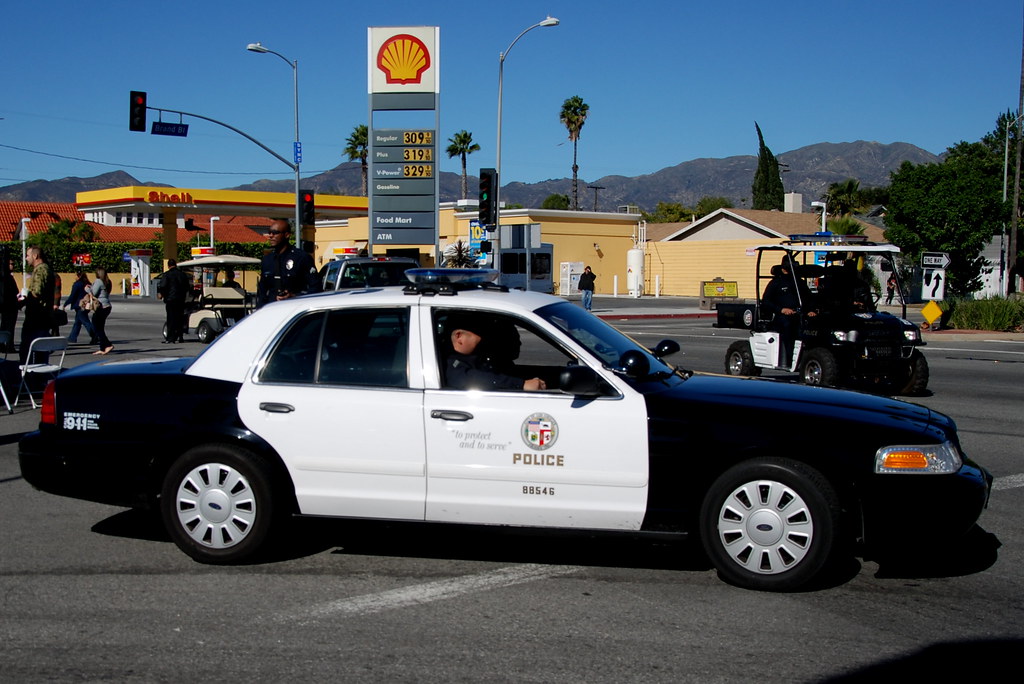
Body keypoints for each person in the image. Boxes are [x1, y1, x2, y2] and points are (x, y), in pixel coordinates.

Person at [444, 315, 546, 391]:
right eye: (482, 335)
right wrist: (522, 384)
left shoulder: (480, 357)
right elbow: (469, 379)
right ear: (459, 337)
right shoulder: (450, 363)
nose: (488, 340)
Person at [761, 260, 815, 367]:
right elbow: (766, 301)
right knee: (789, 327)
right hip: (782, 316)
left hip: (800, 314)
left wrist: (811, 310)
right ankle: (790, 360)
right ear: (783, 269)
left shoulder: (799, 282)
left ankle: (809, 357)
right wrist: (781, 309)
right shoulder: (776, 283)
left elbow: (809, 298)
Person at [256, 219, 318, 307]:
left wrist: (294, 296)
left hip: (294, 311)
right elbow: (262, 292)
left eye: (275, 232)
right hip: (271, 311)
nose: (270, 235)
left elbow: (315, 288)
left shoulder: (301, 258)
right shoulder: (267, 260)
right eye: (269, 232)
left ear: (287, 235)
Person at [20, 246, 55, 364]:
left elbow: (37, 292)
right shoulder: (47, 269)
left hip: (36, 317)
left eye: (28, 255)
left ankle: (29, 376)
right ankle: (40, 377)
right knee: (41, 350)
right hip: (43, 316)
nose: (26, 258)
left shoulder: (40, 270)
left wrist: (24, 299)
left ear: (35, 256)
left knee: (28, 348)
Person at [158, 258, 191, 344]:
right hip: (181, 300)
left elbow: (163, 286)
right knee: (180, 318)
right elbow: (187, 287)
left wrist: (161, 294)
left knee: (171, 319)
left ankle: (171, 338)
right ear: (175, 265)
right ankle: (180, 336)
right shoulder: (183, 275)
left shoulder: (167, 275)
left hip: (171, 300)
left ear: (168, 266)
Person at [63, 270, 97, 344]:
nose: (74, 277)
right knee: (77, 322)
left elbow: (72, 296)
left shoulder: (77, 284)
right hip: (86, 304)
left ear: (78, 276)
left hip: (80, 305)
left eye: (75, 275)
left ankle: (95, 335)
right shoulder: (87, 284)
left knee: (85, 322)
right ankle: (72, 338)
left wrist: (65, 304)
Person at [90, 267, 114, 355]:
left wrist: (87, 288)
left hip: (101, 306)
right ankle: (102, 348)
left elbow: (93, 293)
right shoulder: (107, 281)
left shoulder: (98, 281)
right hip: (107, 306)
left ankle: (108, 344)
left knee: (96, 327)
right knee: (100, 327)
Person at [0, 257, 19, 353]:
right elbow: (15, 291)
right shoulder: (8, 278)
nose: (12, 266)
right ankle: (8, 346)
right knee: (9, 326)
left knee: (4, 325)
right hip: (10, 305)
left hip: (5, 305)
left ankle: (3, 345)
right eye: (10, 264)